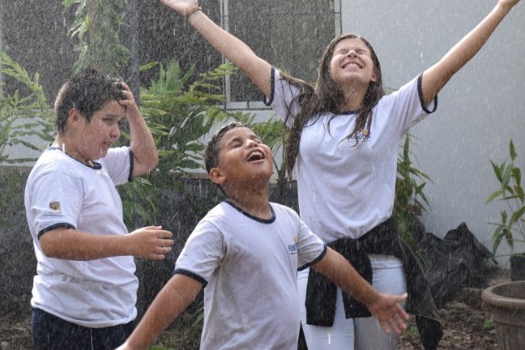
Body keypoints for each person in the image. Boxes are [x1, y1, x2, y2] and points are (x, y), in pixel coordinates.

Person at [157, 0, 525, 350]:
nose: (352, 52)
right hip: (319, 263)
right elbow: (245, 58)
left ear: (374, 74)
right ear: (327, 69)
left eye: (362, 52)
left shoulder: (390, 111)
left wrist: (500, 8)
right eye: (342, 50)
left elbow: (451, 64)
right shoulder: (302, 109)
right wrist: (193, 13)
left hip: (380, 263)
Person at [118, 121, 411, 350]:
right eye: (237, 144)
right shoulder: (219, 225)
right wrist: (134, 344)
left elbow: (330, 262)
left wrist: (372, 298)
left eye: (256, 140)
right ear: (218, 175)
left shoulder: (288, 218)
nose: (252, 144)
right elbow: (180, 290)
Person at [24, 68, 174, 350]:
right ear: (75, 117)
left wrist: (133, 113)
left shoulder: (94, 162)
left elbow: (146, 159)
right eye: (108, 121)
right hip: (77, 323)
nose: (116, 133)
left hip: (106, 317)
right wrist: (130, 244)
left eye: (119, 122)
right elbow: (54, 241)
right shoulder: (59, 171)